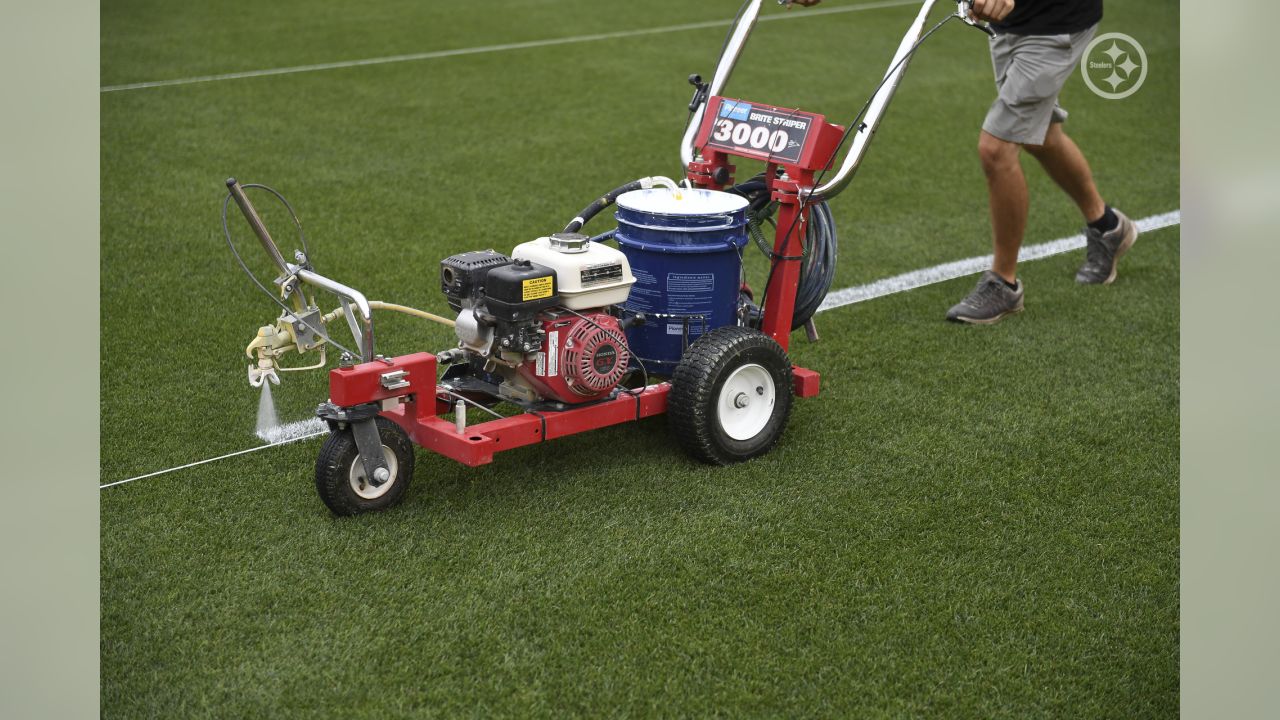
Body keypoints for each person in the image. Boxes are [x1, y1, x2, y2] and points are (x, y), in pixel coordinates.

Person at [792, 0, 1139, 325]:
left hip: (1055, 19)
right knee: (1038, 132)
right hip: (1008, 22)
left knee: (997, 147)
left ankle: (1005, 283)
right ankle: (1107, 226)